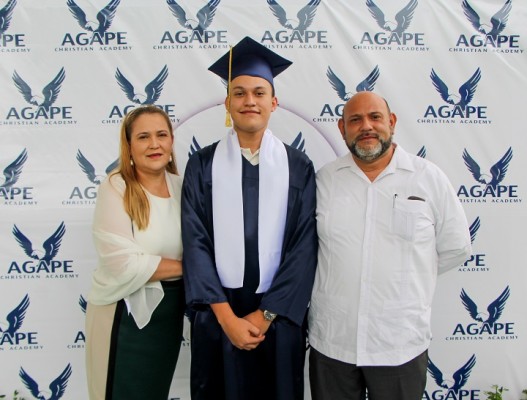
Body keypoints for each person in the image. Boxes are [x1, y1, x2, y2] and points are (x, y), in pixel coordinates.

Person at [308, 91, 472, 400]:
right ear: (342, 129)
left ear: (391, 122)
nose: (366, 126)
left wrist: (407, 281)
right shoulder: (324, 181)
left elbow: (455, 247)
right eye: (355, 120)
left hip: (399, 342)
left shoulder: (429, 179)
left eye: (375, 117)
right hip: (333, 341)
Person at [181, 36, 318, 400]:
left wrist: (265, 315)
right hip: (217, 317)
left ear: (274, 102)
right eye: (239, 93)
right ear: (227, 103)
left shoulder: (299, 167)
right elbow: (194, 243)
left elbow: (303, 248)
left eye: (259, 93)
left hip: (278, 319)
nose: (249, 101)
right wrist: (227, 319)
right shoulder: (202, 164)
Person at [85, 105, 185, 400]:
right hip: (122, 317)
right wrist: (192, 267)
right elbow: (123, 265)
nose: (154, 144)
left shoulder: (182, 186)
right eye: (143, 137)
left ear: (171, 142)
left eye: (161, 135)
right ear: (129, 145)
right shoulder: (116, 187)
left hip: (168, 316)